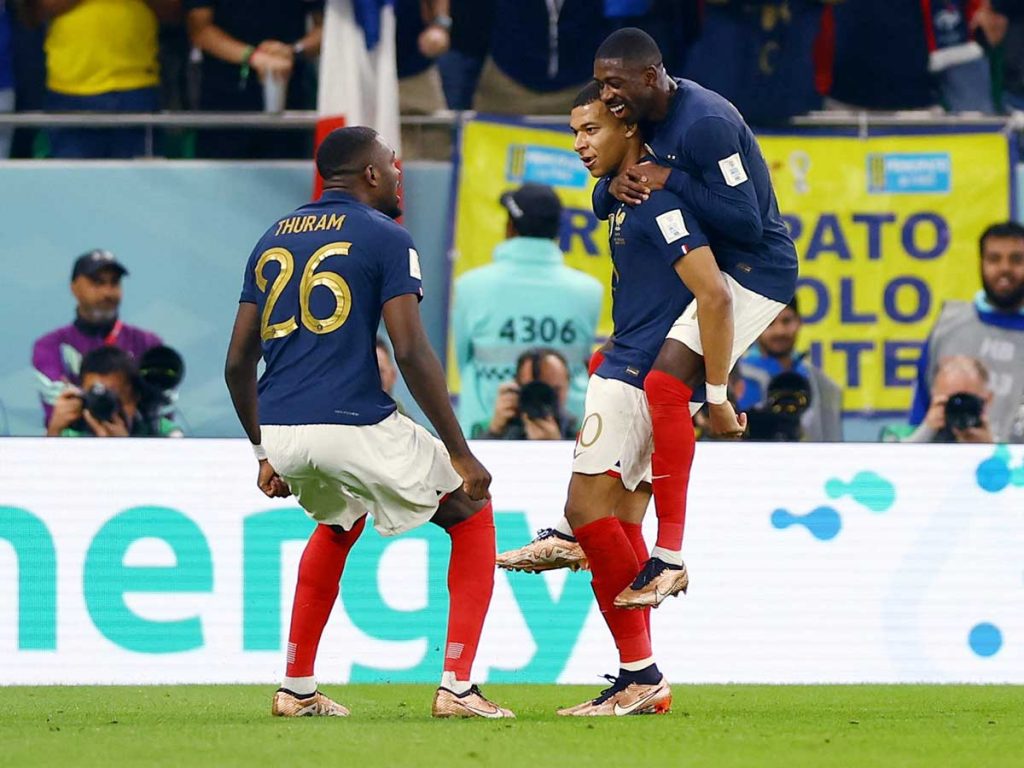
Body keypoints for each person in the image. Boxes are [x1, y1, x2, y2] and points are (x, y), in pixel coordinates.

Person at [501, 29, 799, 608]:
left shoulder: (706, 122)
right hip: (711, 272)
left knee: (665, 385)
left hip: (756, 271)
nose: (608, 97)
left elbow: (745, 222)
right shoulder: (644, 120)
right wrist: (615, 185)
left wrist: (670, 179)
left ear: (649, 76)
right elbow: (612, 187)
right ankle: (635, 661)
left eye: (614, 86)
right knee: (627, 469)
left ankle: (671, 556)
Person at [224, 125, 513, 719]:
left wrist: (261, 452)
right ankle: (458, 687)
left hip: (281, 429)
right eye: (393, 164)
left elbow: (235, 363)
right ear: (372, 174)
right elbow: (408, 350)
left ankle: (296, 688)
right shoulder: (386, 236)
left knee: (340, 520)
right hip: (349, 420)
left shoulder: (270, 237)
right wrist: (460, 451)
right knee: (472, 511)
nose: (400, 173)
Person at [452, 182, 601, 437]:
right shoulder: (589, 290)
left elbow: (464, 358)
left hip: (489, 427)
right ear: (557, 232)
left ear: (510, 228)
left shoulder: (470, 287)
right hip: (569, 427)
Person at [909, 221, 1024, 443]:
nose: (1004, 268)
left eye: (1016, 259)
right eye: (994, 259)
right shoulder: (948, 327)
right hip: (948, 468)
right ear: (981, 263)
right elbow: (920, 411)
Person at [32, 249, 164, 427]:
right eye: (97, 282)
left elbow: (161, 412)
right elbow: (60, 409)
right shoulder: (50, 346)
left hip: (138, 451)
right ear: (74, 288)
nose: (107, 292)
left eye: (114, 283)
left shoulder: (148, 344)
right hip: (70, 449)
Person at [32, 0, 179, 158]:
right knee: (74, 180)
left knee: (137, 182)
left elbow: (174, 12)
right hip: (70, 89)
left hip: (136, 88)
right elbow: (36, 11)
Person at [185, 0, 322, 158]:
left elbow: (327, 27)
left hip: (288, 96)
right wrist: (253, 57)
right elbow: (199, 29)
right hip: (224, 102)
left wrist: (293, 51)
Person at [738, 297, 843, 442]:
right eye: (770, 323)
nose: (779, 331)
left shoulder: (818, 382)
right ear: (757, 325)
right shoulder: (735, 377)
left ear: (799, 322)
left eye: (786, 321)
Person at [46, 345, 182, 437]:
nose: (106, 408)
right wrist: (54, 430)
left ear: (135, 397)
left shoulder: (161, 432)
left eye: (116, 400)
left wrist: (123, 450)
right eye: (96, 398)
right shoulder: (68, 435)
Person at [889, 355, 996, 443]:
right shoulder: (898, 436)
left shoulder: (1006, 445)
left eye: (968, 402)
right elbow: (892, 464)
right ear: (934, 396)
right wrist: (926, 431)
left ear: (987, 399)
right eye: (951, 402)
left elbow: (1010, 465)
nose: (959, 410)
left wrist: (989, 448)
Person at [479, 347, 577, 440]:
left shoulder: (583, 432)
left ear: (567, 387)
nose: (541, 399)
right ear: (517, 388)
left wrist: (557, 448)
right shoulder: (486, 426)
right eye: (533, 389)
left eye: (553, 390)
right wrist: (494, 432)